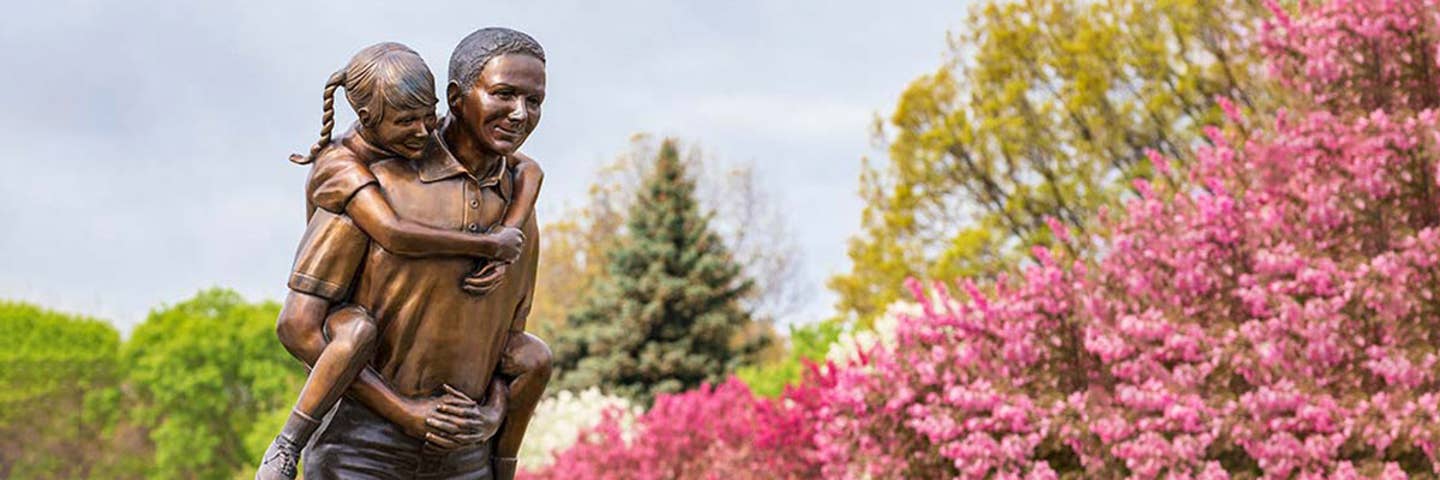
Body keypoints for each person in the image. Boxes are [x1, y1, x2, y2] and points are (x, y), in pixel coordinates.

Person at [256, 38, 551, 480]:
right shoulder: (370, 189)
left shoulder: (517, 208)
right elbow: (300, 327)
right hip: (359, 457)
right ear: (456, 97)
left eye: (534, 100)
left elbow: (508, 343)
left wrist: (491, 417)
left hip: (468, 464)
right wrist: (404, 412)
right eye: (504, 94)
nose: (520, 113)